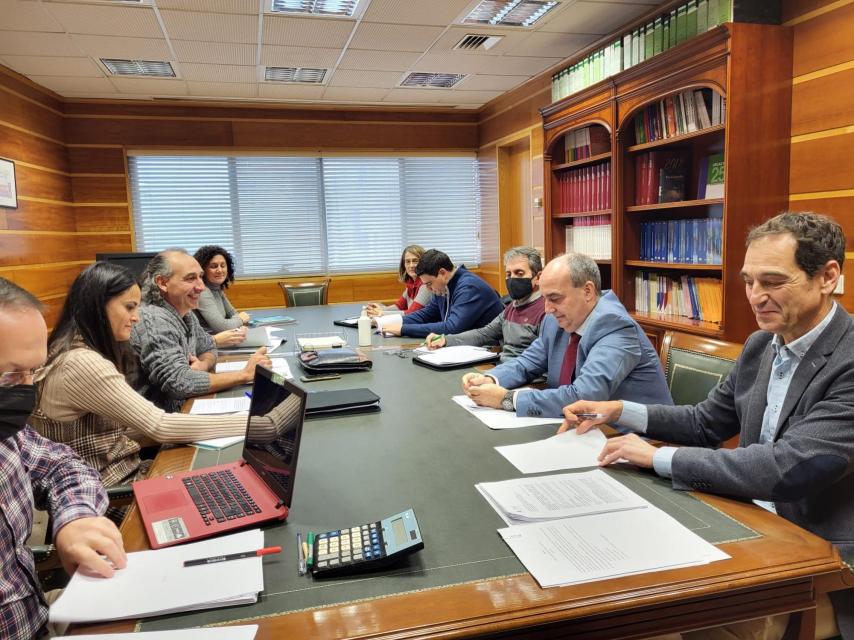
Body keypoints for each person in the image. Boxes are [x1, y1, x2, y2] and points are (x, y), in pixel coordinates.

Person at [563, 212, 851, 639]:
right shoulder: (762, 345)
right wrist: (620, 410)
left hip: (821, 549)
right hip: (751, 519)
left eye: (772, 282)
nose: (755, 296)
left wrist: (658, 455)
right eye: (749, 281)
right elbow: (704, 422)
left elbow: (787, 469)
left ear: (827, 276)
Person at [30, 262, 290, 501]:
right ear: (97, 307)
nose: (137, 317)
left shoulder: (71, 349)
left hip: (116, 478)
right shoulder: (81, 363)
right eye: (129, 307)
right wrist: (263, 426)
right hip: (107, 498)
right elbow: (159, 426)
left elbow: (111, 431)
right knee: (235, 492)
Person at [0, 278, 126, 640]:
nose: (26, 388)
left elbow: (61, 464)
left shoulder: (9, 436)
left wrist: (75, 518)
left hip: (38, 617)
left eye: (32, 373)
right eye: (11, 375)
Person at [462, 252, 671, 418]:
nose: (548, 309)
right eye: (544, 298)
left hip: (630, 439)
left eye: (554, 298)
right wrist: (490, 378)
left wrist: (507, 399)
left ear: (588, 291)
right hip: (579, 426)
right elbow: (527, 362)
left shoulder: (616, 327)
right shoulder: (558, 320)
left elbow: (585, 396)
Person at [131, 249, 270, 413]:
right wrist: (245, 375)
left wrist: (203, 365)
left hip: (188, 406)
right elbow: (179, 383)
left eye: (200, 277)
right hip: (162, 422)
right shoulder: (154, 320)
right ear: (162, 283)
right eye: (191, 278)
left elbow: (208, 346)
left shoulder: (185, 313)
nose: (201, 287)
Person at [426, 246, 546, 361]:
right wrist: (445, 340)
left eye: (519, 273)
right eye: (509, 274)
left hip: (527, 378)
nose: (512, 279)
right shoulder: (513, 307)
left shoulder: (546, 311)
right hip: (502, 367)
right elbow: (484, 334)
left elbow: (540, 361)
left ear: (538, 277)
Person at [376, 249, 504, 338]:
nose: (429, 289)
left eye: (429, 284)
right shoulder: (443, 287)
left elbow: (452, 328)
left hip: (487, 349)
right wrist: (387, 322)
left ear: (442, 273)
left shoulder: (469, 287)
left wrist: (403, 329)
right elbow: (425, 315)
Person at [194, 245, 252, 348]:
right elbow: (222, 327)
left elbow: (233, 313)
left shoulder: (216, 288)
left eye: (223, 265)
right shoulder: (202, 292)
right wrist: (240, 320)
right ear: (202, 270)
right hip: (207, 346)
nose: (220, 270)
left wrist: (234, 321)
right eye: (214, 266)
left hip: (221, 343)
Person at [365, 245, 432, 317]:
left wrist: (381, 313)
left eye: (415, 261)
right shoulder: (411, 283)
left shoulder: (426, 285)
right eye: (407, 261)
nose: (411, 265)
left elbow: (411, 314)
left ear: (423, 263)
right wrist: (380, 309)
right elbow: (399, 306)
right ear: (404, 265)